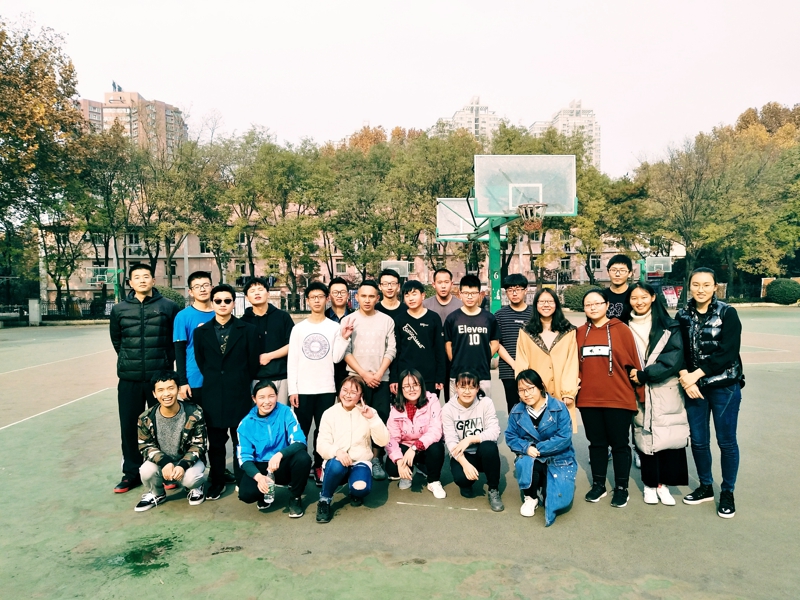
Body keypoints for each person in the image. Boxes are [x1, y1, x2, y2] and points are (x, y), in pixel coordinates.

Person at [676, 267, 744, 519]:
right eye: (696, 284)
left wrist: (697, 374)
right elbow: (678, 349)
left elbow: (728, 352)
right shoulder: (682, 314)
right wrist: (687, 379)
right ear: (689, 286)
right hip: (695, 388)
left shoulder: (728, 312)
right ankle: (705, 486)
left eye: (706, 285)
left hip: (725, 386)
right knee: (699, 440)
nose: (701, 289)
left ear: (715, 287)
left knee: (726, 441)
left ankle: (727, 492)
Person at [109, 263, 180, 493]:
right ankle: (131, 473)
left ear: (153, 280)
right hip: (129, 379)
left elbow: (173, 341)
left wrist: (164, 364)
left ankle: (167, 471)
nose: (142, 280)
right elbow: (117, 341)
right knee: (129, 427)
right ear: (130, 282)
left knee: (163, 425)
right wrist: (130, 361)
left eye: (146, 276)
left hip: (159, 380)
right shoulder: (119, 309)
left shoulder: (168, 307)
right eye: (137, 277)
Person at [576, 288, 642, 509]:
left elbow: (634, 364)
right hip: (588, 400)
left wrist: (640, 395)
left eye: (597, 303)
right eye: (588, 304)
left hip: (618, 399)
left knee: (620, 445)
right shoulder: (579, 333)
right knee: (596, 444)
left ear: (607, 305)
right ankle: (599, 484)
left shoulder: (622, 330)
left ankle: (621, 487)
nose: (593, 307)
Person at [194, 284, 261, 500]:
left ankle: (243, 479)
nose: (222, 304)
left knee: (240, 440)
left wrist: (238, 379)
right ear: (212, 303)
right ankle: (217, 481)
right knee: (215, 444)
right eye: (218, 301)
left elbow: (252, 363)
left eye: (227, 300)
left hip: (239, 393)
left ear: (234, 303)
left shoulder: (248, 330)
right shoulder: (201, 332)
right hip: (212, 395)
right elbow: (202, 362)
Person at [627, 283, 690, 506]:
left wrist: (646, 374)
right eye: (634, 298)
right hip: (637, 388)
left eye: (644, 297)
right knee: (644, 435)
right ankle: (649, 484)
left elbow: (674, 358)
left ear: (653, 297)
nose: (639, 302)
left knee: (667, 435)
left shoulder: (669, 326)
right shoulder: (624, 326)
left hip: (664, 387)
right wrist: (634, 375)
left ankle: (663, 485)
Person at [287, 282, 351, 486]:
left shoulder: (334, 327)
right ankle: (299, 466)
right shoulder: (298, 329)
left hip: (326, 388)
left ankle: (318, 465)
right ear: (307, 300)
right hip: (303, 389)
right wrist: (292, 390)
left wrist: (344, 338)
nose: (317, 300)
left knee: (322, 431)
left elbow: (336, 357)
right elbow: (292, 360)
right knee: (301, 430)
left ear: (327, 299)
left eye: (320, 296)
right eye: (313, 297)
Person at [505, 369, 576, 526]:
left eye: (530, 388)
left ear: (540, 387)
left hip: (558, 457)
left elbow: (564, 437)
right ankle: (530, 497)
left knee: (559, 500)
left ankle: (545, 486)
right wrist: (525, 448)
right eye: (521, 390)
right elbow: (510, 436)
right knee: (525, 462)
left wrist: (537, 448)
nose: (526, 394)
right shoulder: (516, 411)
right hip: (531, 457)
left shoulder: (559, 407)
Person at [315, 375, 390, 523]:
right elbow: (321, 444)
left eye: (353, 392)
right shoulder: (329, 413)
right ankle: (324, 499)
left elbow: (383, 441)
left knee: (361, 488)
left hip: (359, 461)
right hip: (337, 461)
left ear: (361, 395)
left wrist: (372, 419)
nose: (347, 395)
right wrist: (337, 452)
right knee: (336, 466)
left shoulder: (369, 412)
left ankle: (354, 490)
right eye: (345, 390)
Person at [342, 280, 396, 480]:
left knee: (379, 418)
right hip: (356, 379)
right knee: (355, 420)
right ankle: (356, 459)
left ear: (377, 298)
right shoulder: (348, 320)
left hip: (381, 378)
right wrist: (364, 374)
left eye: (371, 296)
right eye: (363, 296)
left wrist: (380, 373)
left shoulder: (387, 320)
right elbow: (345, 351)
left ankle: (376, 459)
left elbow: (391, 349)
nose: (367, 300)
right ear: (356, 297)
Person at [237, 379, 312, 517]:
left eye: (271, 396)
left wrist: (280, 454)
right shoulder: (245, 424)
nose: (267, 401)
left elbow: (300, 441)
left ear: (277, 396)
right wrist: (259, 477)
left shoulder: (286, 412)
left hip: (281, 463)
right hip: (261, 466)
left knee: (303, 458)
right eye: (261, 397)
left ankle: (295, 497)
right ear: (254, 399)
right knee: (246, 494)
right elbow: (244, 458)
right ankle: (263, 495)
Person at [134, 370, 208, 511]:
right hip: (162, 463)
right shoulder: (145, 417)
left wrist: (183, 465)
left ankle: (196, 487)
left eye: (170, 388)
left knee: (191, 478)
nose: (166, 394)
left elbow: (199, 445)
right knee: (145, 471)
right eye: (161, 390)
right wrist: (165, 462)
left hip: (187, 463)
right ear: (154, 394)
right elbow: (145, 446)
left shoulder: (194, 412)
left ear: (178, 389)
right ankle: (157, 494)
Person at [515, 288, 579, 433]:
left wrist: (568, 392)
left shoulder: (568, 331)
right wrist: (525, 389)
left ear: (556, 304)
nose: (546, 305)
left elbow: (571, 362)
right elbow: (521, 362)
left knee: (561, 434)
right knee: (536, 433)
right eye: (542, 301)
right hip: (534, 392)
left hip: (561, 392)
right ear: (536, 305)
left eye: (550, 301)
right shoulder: (526, 331)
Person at [441, 370, 504, 512]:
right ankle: (466, 484)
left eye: (471, 387)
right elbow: (451, 441)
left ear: (477, 388)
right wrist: (465, 464)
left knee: (490, 447)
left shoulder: (486, 403)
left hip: (482, 451)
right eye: (463, 387)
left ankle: (493, 489)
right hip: (463, 454)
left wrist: (470, 439)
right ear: (456, 387)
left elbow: (495, 431)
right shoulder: (448, 409)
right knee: (462, 478)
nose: (467, 391)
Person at [385, 369, 446, 499]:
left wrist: (415, 447)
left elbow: (436, 430)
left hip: (425, 447)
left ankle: (433, 481)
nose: (411, 389)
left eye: (415, 385)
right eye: (407, 386)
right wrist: (400, 461)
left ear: (421, 386)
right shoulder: (396, 408)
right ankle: (406, 475)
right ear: (401, 389)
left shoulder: (432, 401)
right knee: (392, 468)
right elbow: (391, 438)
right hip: (406, 447)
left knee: (437, 448)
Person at [443, 275, 500, 397]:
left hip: (482, 374)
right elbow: (448, 344)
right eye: (466, 293)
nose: (469, 297)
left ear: (479, 294)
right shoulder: (452, 318)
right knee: (457, 407)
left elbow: (495, 343)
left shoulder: (488, 318)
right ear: (460, 294)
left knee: (483, 407)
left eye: (473, 293)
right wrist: (456, 360)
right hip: (458, 374)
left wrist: (484, 357)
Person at [242, 277, 295, 405]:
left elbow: (292, 344)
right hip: (254, 379)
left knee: (280, 414)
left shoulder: (283, 317)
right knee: (257, 415)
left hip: (281, 376)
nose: (257, 293)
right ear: (247, 297)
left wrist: (269, 356)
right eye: (252, 291)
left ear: (268, 293)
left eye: (260, 289)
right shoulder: (243, 322)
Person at [390, 280, 445, 394]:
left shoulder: (433, 318)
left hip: (429, 376)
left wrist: (440, 376)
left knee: (430, 405)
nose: (411, 298)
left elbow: (439, 349)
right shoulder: (399, 320)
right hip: (405, 376)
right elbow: (396, 351)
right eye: (407, 295)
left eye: (414, 294)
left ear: (423, 295)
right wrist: (394, 378)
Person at [174, 271, 215, 407]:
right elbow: (179, 351)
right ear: (191, 292)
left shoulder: (221, 312)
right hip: (195, 379)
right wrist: (182, 382)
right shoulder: (183, 316)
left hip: (219, 378)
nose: (202, 289)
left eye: (205, 285)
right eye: (197, 286)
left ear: (212, 287)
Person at [495, 274, 533, 413]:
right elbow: (497, 344)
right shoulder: (499, 315)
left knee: (534, 406)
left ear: (525, 290)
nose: (514, 293)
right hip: (508, 370)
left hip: (532, 368)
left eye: (518, 289)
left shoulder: (534, 314)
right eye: (510, 290)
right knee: (514, 407)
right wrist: (513, 363)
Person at [423, 268, 463, 395]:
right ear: (433, 284)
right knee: (430, 398)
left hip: (454, 356)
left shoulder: (461, 306)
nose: (443, 286)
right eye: (439, 282)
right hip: (432, 358)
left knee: (453, 398)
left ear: (452, 283)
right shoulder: (425, 305)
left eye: (446, 282)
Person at [325, 277, 354, 393]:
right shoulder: (322, 318)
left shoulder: (355, 317)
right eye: (335, 292)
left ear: (348, 295)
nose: (339, 295)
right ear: (329, 296)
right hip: (327, 370)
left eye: (342, 292)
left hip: (350, 371)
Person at [603, 254, 634, 324]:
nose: (617, 274)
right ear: (608, 272)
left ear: (630, 273)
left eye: (622, 270)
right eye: (613, 270)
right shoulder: (602, 296)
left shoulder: (634, 295)